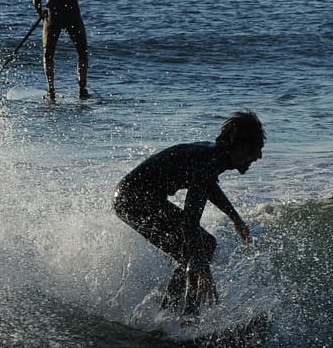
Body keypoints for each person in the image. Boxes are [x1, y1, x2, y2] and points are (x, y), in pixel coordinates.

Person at [113, 111, 265, 318]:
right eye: (252, 150)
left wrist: (235, 218)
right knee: (197, 251)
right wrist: (205, 273)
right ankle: (185, 318)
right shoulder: (209, 163)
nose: (257, 156)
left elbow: (207, 187)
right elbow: (189, 224)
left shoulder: (214, 157)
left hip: (136, 198)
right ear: (235, 145)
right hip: (133, 200)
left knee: (198, 250)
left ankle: (169, 312)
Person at [32, 0, 99, 102]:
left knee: (48, 55)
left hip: (52, 16)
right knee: (82, 53)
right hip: (72, 15)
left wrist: (40, 11)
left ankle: (51, 91)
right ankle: (82, 89)